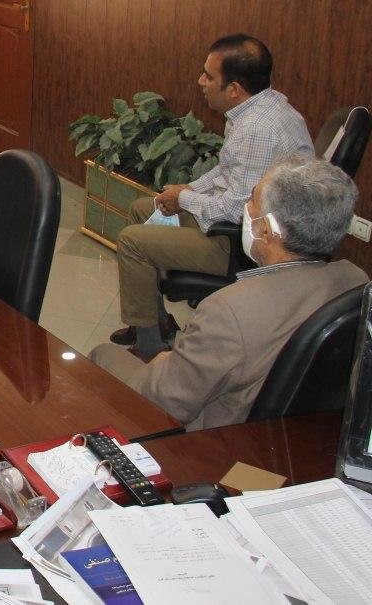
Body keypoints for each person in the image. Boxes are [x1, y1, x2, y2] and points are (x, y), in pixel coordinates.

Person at [92, 156, 366, 430]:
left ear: (267, 230)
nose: (246, 208)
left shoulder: (229, 311)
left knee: (102, 355)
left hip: (215, 438)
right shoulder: (357, 281)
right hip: (298, 432)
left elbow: (163, 400)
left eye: (252, 200)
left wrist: (161, 364)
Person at [109, 34, 312, 348]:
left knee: (132, 241)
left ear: (234, 89)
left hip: (245, 243)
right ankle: (156, 321)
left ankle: (149, 346)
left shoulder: (257, 130)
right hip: (238, 222)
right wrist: (189, 189)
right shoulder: (255, 108)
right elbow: (227, 169)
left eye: (208, 76)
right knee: (144, 209)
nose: (200, 81)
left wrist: (183, 199)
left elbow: (236, 209)